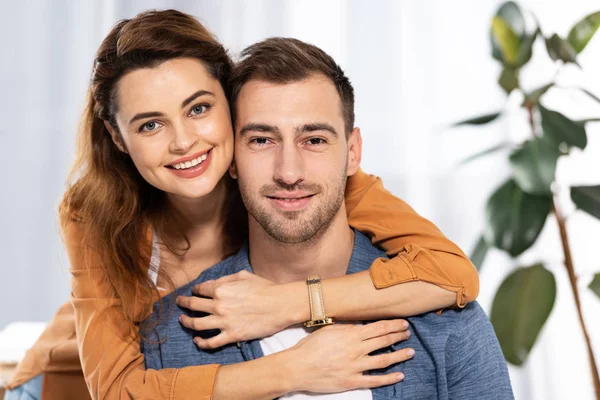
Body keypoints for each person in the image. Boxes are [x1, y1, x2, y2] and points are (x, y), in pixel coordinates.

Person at [5, 9, 479, 400]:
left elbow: (453, 275)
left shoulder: (290, 180)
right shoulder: (94, 209)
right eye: (151, 125)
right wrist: (291, 370)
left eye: (198, 109)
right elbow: (118, 390)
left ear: (231, 109)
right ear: (118, 137)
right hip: (64, 383)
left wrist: (287, 304)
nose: (184, 142)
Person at [141, 36, 514, 399]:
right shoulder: (170, 336)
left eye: (314, 140)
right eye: (261, 140)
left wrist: (290, 303)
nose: (289, 172)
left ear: (353, 152)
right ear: (231, 158)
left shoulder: (446, 324)